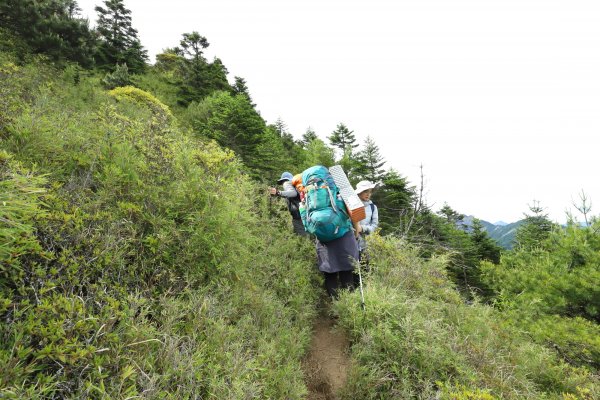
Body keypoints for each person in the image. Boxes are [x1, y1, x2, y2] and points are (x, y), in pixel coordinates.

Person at [270, 172, 308, 236]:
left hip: (298, 214)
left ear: (283, 180)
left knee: (302, 236)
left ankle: (307, 245)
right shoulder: (297, 186)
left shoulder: (286, 183)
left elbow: (293, 193)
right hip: (306, 211)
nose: (282, 184)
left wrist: (279, 192)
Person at [354, 180, 379, 263]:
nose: (368, 194)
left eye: (370, 192)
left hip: (366, 246)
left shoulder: (373, 207)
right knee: (352, 271)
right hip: (351, 244)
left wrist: (362, 228)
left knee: (365, 270)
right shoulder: (351, 205)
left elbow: (375, 226)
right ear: (359, 192)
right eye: (365, 191)